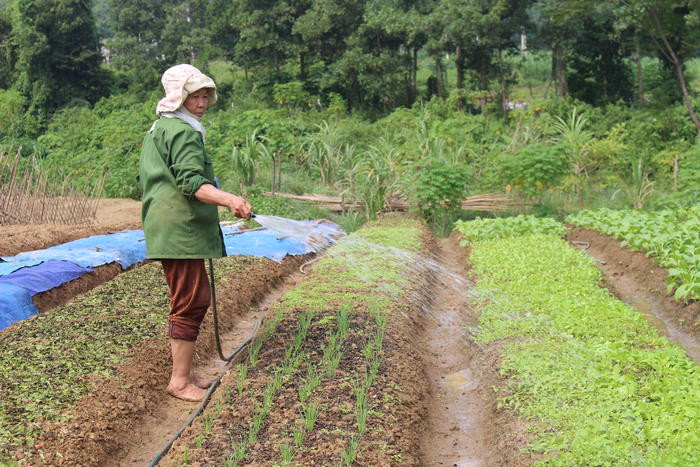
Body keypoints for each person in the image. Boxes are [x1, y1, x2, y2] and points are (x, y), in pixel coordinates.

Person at [139, 64, 252, 402]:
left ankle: (186, 374)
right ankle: (178, 381)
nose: (202, 103)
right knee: (189, 301)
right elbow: (192, 183)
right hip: (180, 228)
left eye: (205, 96)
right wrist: (229, 199)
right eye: (195, 96)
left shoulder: (163, 127)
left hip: (172, 224)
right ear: (179, 96)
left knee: (194, 297)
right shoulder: (182, 132)